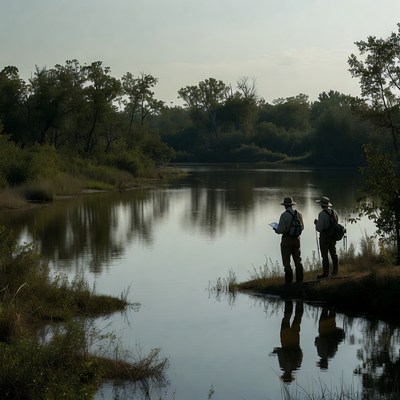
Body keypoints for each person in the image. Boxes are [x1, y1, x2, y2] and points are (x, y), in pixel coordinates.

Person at [274, 196, 304, 284]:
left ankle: (288, 283)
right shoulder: (299, 214)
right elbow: (302, 227)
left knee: (286, 262)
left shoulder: (284, 215)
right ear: (292, 205)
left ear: (285, 206)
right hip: (297, 239)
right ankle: (300, 281)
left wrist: (276, 230)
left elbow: (280, 230)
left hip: (287, 239)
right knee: (298, 260)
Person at [272, 300, 304, 383]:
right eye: (286, 376)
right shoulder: (293, 365)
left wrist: (277, 351)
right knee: (290, 319)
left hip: (292, 341)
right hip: (288, 340)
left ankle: (295, 302)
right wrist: (277, 351)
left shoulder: (293, 366)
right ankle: (292, 301)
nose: (285, 374)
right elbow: (281, 352)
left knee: (295, 319)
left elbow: (300, 353)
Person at [314, 196, 339, 279]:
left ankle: (326, 273)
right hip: (332, 236)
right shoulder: (334, 212)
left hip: (324, 236)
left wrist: (316, 223)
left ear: (321, 205)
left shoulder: (321, 214)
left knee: (324, 255)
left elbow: (319, 228)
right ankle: (335, 271)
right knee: (333, 254)